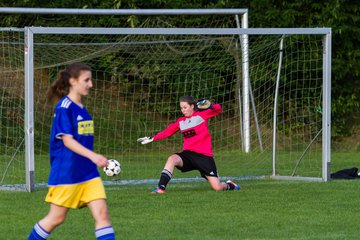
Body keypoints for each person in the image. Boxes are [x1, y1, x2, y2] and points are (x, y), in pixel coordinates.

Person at [28, 63, 115, 240]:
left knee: (102, 215)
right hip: (66, 174)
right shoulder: (64, 108)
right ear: (73, 81)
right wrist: (94, 156)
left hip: (88, 173)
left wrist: (91, 159)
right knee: (56, 218)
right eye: (87, 80)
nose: (91, 84)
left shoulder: (82, 108)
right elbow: (67, 141)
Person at [137, 96, 240, 194]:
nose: (183, 110)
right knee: (172, 159)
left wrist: (211, 106)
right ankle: (161, 188)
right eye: (181, 108)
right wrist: (153, 138)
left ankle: (230, 185)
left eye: (185, 107)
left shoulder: (201, 115)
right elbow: (167, 132)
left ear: (192, 106)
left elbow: (218, 110)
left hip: (204, 157)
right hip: (188, 155)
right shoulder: (181, 121)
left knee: (217, 187)